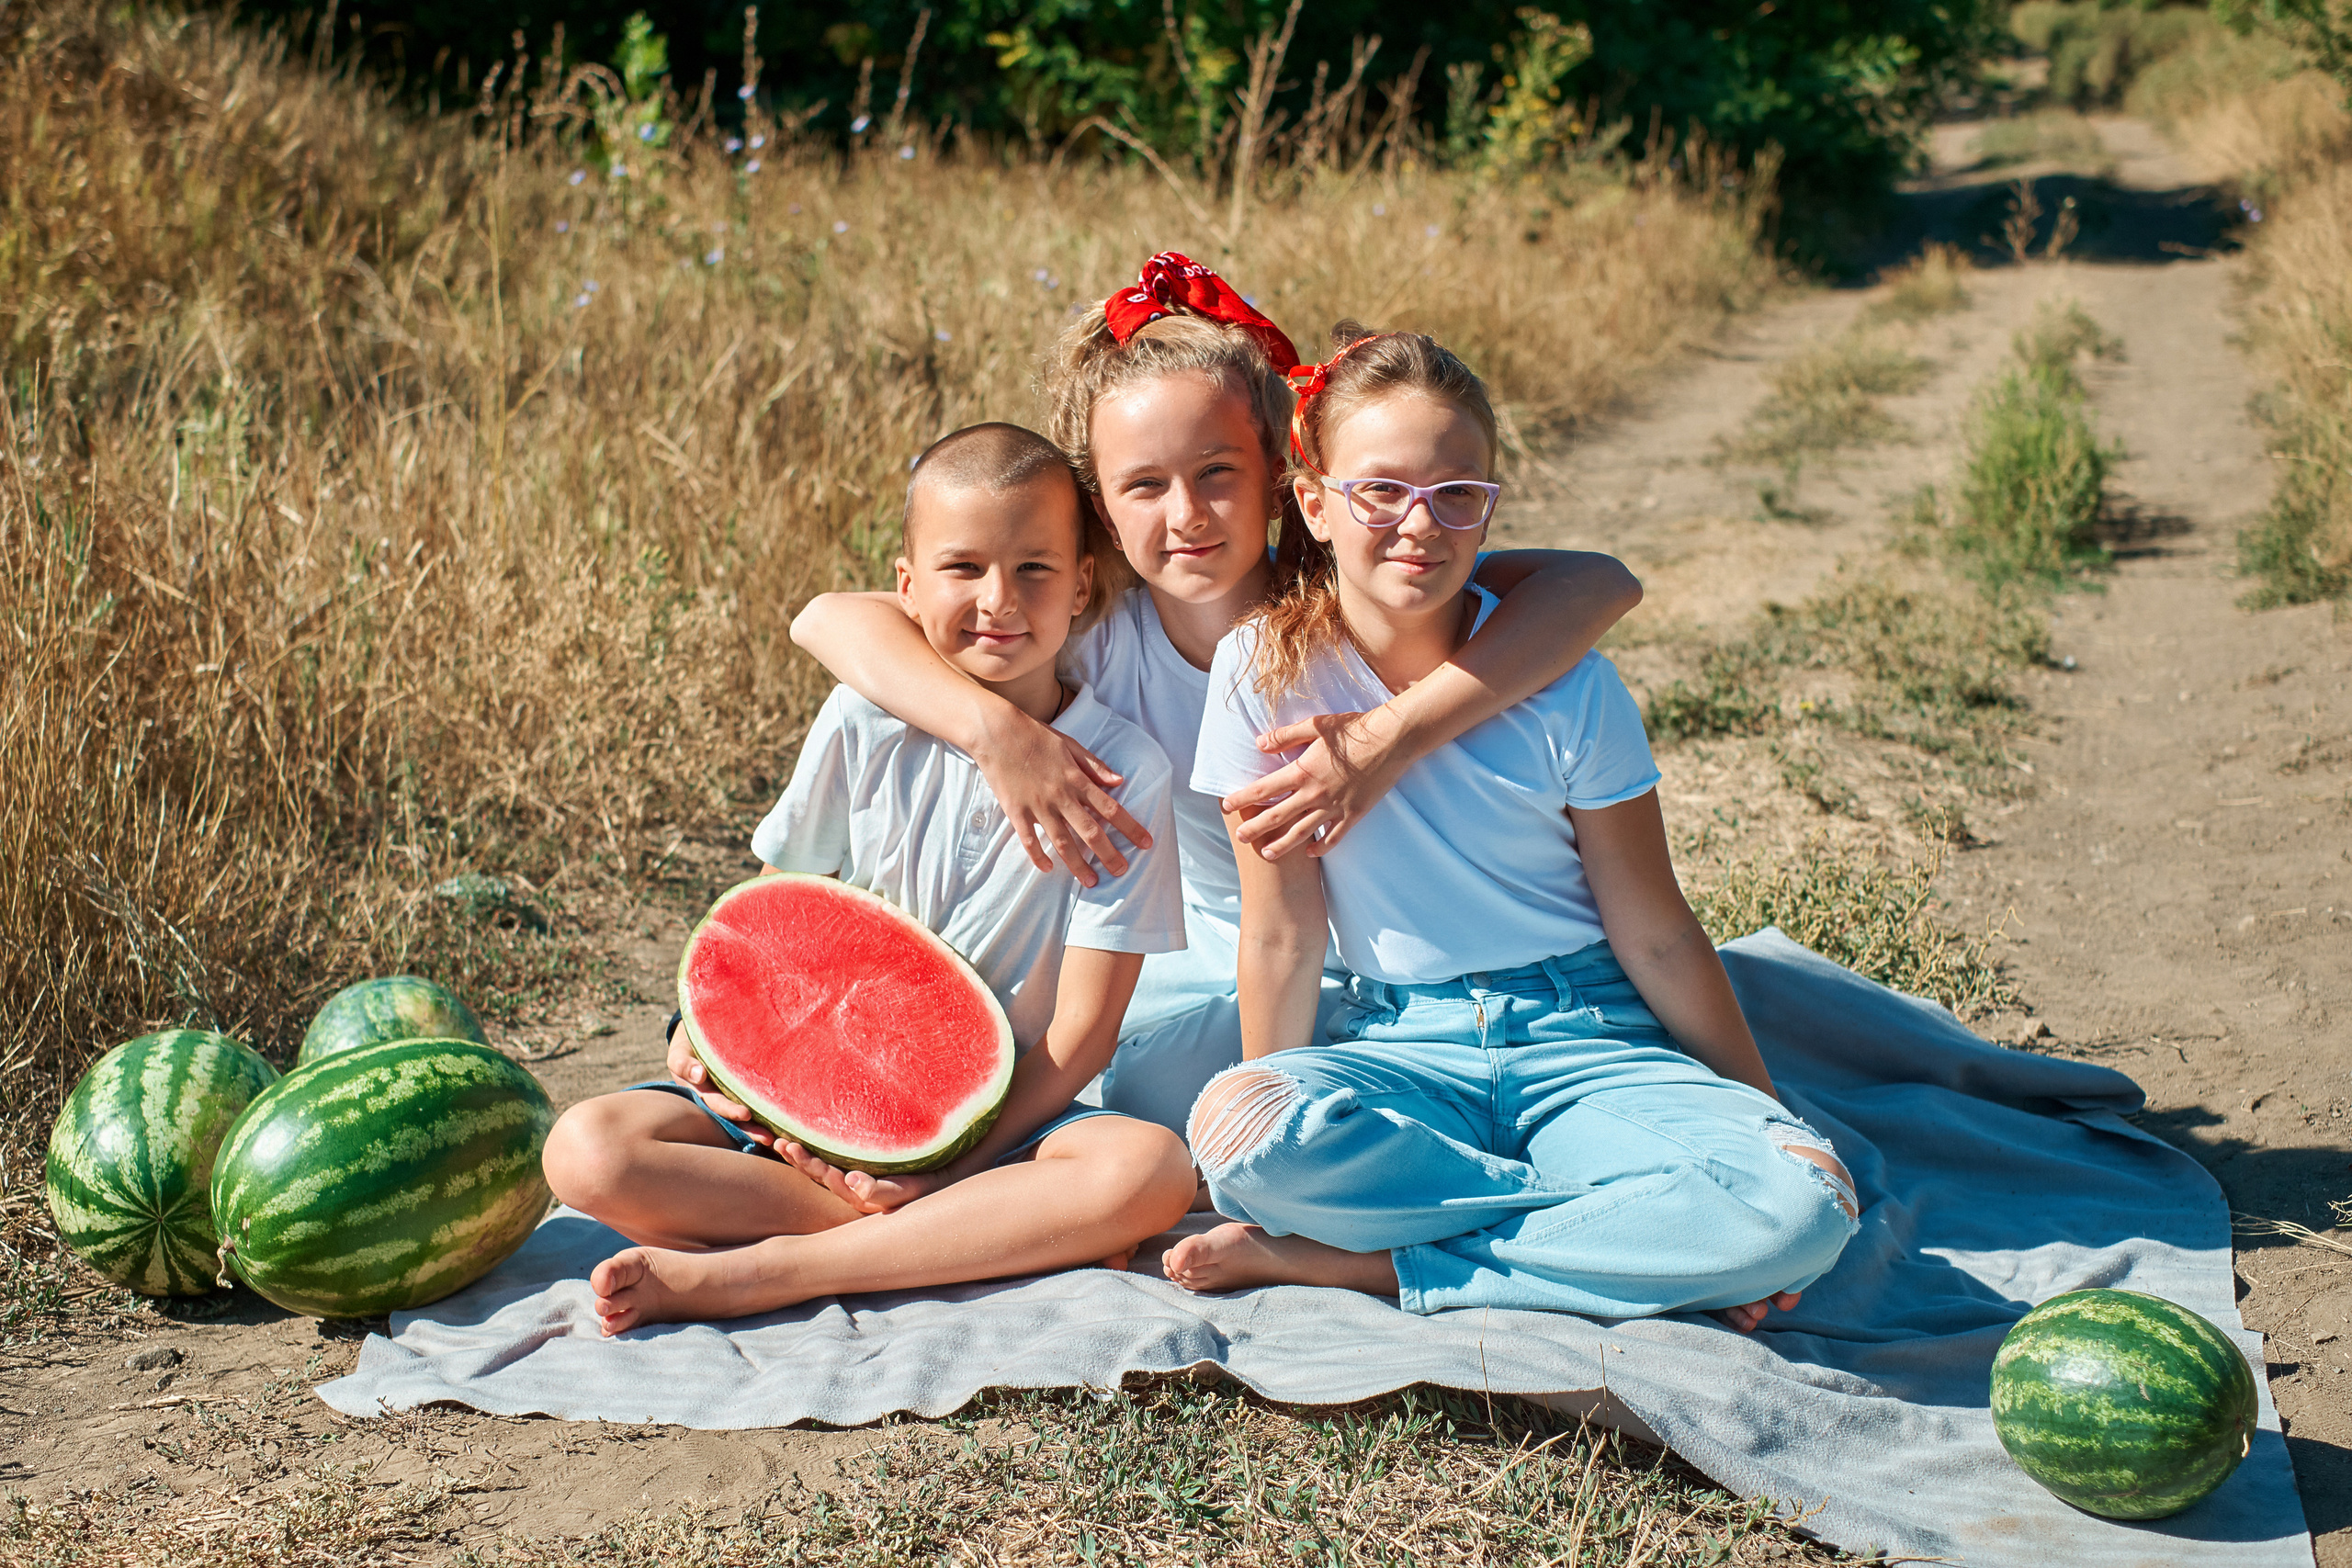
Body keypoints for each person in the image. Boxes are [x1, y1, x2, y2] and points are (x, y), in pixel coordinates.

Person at [786, 254, 1645, 1138]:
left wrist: (1388, 736)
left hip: (1390, 965)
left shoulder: (1349, 591)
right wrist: (997, 732)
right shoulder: (1093, 623)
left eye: (1218, 473)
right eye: (1145, 486)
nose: (1187, 514)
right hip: (1214, 965)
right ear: (1100, 504)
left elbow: (1598, 585)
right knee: (1150, 1092)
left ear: (1282, 475)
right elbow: (828, 618)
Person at [1164, 324, 1859, 1328]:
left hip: (1586, 1036)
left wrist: (1763, 1112)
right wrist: (1268, 1113)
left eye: (1457, 495)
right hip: (1401, 1041)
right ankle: (1632, 1239)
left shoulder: (1568, 685)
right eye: (1381, 491)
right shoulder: (1261, 669)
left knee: (1806, 1204)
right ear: (1312, 504)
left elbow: (1656, 931)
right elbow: (1281, 933)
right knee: (1242, 1136)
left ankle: (1377, 1266)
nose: (1420, 524)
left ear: (1488, 510)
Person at [543, 423, 1197, 1333]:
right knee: (587, 1152)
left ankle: (782, 1268)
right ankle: (963, 1240)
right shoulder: (862, 718)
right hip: (803, 1104)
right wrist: (703, 1035)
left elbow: (1081, 1039)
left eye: (1036, 570)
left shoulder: (1126, 773)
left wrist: (950, 1167)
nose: (999, 600)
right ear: (906, 587)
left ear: (1084, 582)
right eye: (962, 569)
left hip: (1000, 1127)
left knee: (1149, 1168)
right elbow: (769, 921)